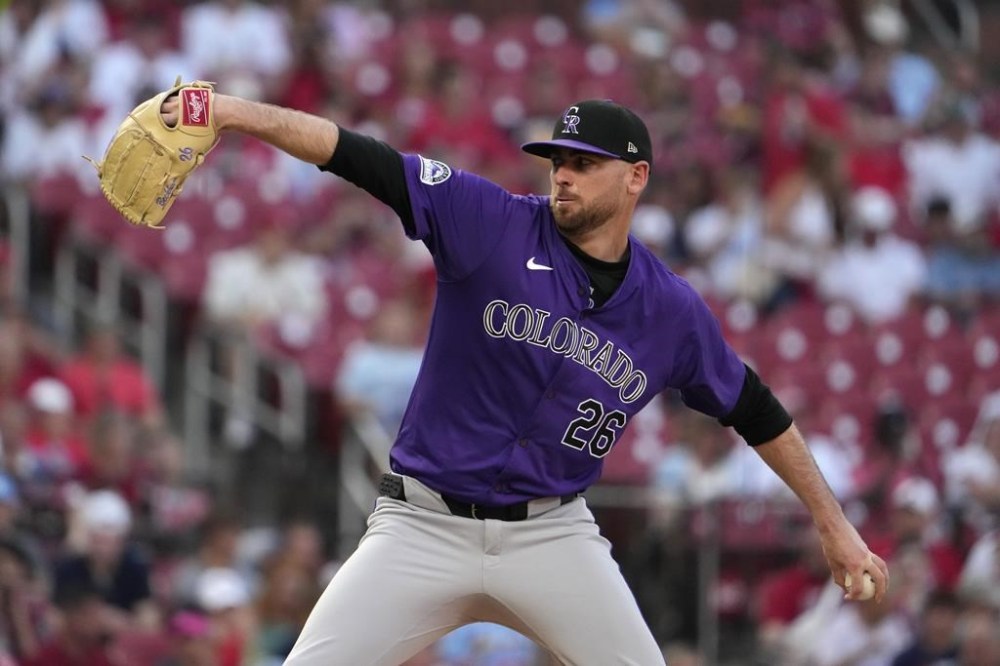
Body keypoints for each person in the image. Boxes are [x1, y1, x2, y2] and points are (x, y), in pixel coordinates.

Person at [159, 90, 888, 665]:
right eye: (557, 160)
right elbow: (357, 156)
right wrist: (228, 112)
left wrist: (834, 525)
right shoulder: (491, 221)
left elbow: (757, 411)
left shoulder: (670, 311)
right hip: (421, 525)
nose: (563, 174)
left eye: (584, 162)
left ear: (636, 177)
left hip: (552, 536)